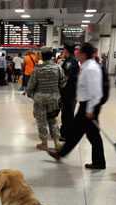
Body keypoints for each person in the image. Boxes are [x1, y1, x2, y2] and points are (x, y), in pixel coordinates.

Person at [48, 42, 105, 170]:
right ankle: (62, 154)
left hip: (89, 106)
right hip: (86, 105)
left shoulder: (90, 69)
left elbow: (96, 92)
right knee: (80, 133)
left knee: (87, 134)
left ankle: (99, 162)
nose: (77, 54)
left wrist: (90, 110)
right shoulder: (86, 66)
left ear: (84, 54)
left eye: (79, 52)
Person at [26, 46, 66, 151]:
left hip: (40, 99)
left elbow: (31, 85)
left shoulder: (37, 70)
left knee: (41, 121)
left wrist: (31, 95)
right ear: (52, 56)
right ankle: (57, 143)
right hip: (53, 98)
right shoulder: (58, 68)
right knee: (52, 120)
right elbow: (63, 83)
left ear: (42, 57)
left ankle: (44, 143)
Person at [60, 43, 80, 141]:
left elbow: (65, 77)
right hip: (71, 90)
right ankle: (66, 131)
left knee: (67, 112)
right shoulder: (71, 61)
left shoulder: (70, 62)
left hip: (69, 90)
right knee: (68, 111)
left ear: (66, 50)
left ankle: (67, 134)